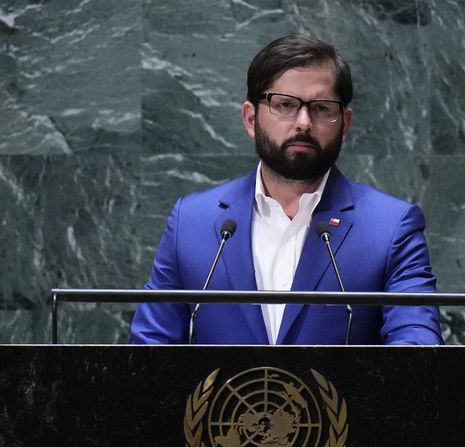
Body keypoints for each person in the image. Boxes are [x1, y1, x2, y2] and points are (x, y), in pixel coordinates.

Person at [130, 35, 442, 345]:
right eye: (285, 105)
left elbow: (417, 348)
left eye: (321, 108)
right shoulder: (191, 222)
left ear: (345, 124)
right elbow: (149, 351)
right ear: (251, 119)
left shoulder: (391, 227)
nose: (304, 122)